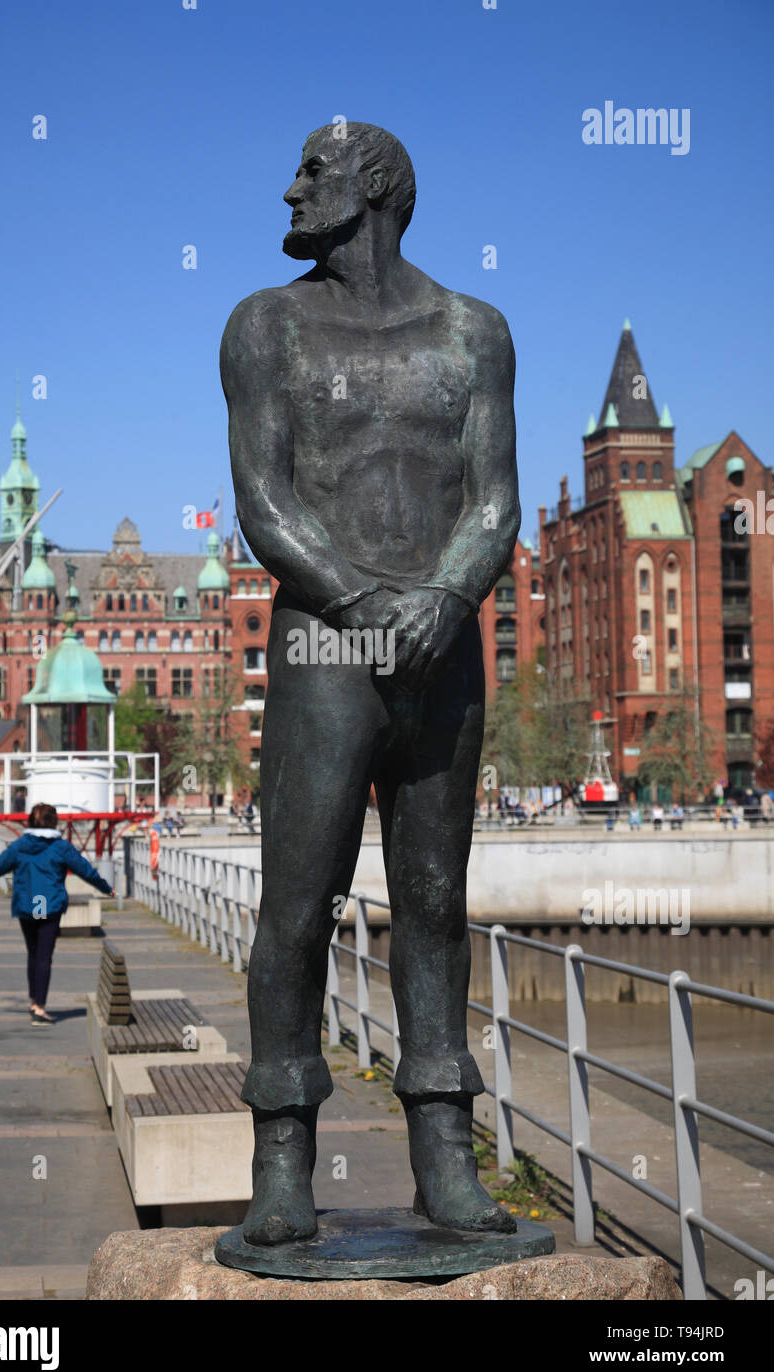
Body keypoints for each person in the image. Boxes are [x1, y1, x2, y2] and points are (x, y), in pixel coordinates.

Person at [222, 122, 519, 1244]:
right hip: (324, 650)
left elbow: (494, 499)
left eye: (313, 169)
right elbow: (263, 498)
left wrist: (441, 600)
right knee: (297, 907)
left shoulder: (472, 332)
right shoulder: (266, 326)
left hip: (442, 646)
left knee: (435, 907)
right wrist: (356, 601)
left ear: (377, 188)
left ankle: (444, 1157)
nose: (289, 186)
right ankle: (282, 1158)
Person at [0, 802, 114, 1025]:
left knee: (33, 953)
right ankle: (39, 1007)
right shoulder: (60, 847)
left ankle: (34, 1001)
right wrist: (106, 888)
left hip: (28, 906)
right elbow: (84, 869)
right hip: (48, 907)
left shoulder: (19, 846)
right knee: (44, 956)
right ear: (53, 822)